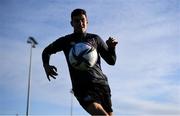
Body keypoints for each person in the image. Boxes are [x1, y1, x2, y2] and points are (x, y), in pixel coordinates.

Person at [42, 8, 118, 116]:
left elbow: (111, 61)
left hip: (101, 85)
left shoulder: (95, 39)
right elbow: (46, 51)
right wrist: (46, 65)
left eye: (82, 20)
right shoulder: (65, 41)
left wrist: (111, 48)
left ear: (87, 21)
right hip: (82, 87)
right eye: (76, 21)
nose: (80, 23)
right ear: (71, 23)